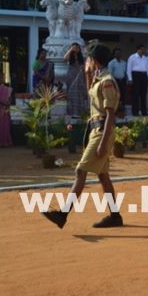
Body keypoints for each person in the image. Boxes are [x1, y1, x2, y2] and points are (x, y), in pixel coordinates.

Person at [42, 42, 123, 229]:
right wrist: (87, 74)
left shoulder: (107, 80)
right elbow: (91, 95)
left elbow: (110, 114)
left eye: (89, 59)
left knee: (80, 171)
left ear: (94, 60)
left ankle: (63, 214)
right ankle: (115, 216)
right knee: (103, 176)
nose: (87, 61)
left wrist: (103, 142)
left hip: (102, 130)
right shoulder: (98, 78)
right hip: (96, 129)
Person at [64, 43, 88, 117]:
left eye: (77, 47)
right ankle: (72, 113)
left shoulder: (81, 57)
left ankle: (79, 113)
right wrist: (71, 50)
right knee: (71, 93)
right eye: (74, 47)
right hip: (71, 76)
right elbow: (65, 58)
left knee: (79, 94)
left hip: (80, 76)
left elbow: (85, 67)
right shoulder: (70, 56)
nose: (76, 49)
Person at [127, 45, 148, 116]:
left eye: (144, 49)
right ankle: (135, 112)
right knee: (135, 94)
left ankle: (144, 112)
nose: (143, 51)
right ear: (138, 49)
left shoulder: (145, 58)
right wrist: (130, 79)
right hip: (135, 75)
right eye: (142, 49)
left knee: (143, 95)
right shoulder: (132, 57)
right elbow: (129, 69)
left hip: (144, 75)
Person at [0, 73, 12, 147]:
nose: (1, 79)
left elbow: (9, 97)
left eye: (2, 78)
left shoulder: (6, 88)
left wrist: (8, 102)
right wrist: (3, 103)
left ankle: (5, 141)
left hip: (4, 109)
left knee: (5, 125)